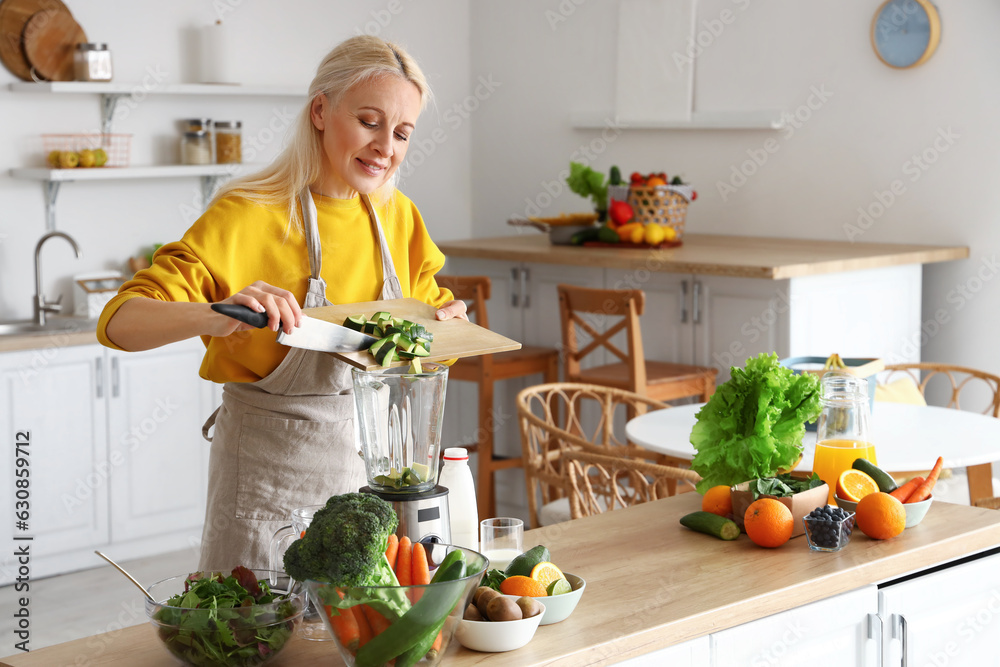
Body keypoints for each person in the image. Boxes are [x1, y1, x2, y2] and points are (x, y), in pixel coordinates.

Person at [97, 35, 467, 570]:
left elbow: (428, 339)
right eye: (369, 121)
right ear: (320, 110)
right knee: (255, 639)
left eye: (402, 132)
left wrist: (445, 328)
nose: (386, 146)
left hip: (370, 485)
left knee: (348, 643)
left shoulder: (397, 218)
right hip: (267, 488)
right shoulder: (249, 214)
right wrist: (220, 313)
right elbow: (120, 323)